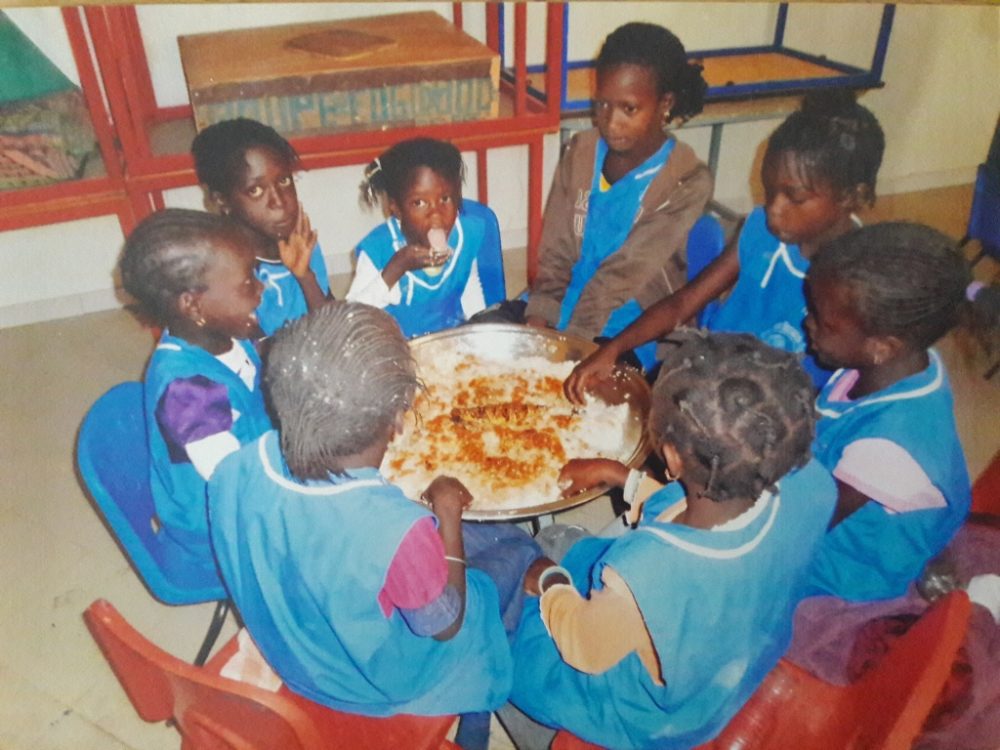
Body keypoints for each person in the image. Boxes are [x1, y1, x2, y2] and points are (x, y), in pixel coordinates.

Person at [208, 302, 539, 744]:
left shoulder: (235, 467)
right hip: (364, 682)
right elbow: (443, 623)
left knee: (490, 545)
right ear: (399, 419)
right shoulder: (396, 529)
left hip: (292, 646)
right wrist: (448, 517)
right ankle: (476, 713)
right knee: (515, 555)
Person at [508, 333, 836, 750]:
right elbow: (702, 506)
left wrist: (550, 581)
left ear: (674, 459)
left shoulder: (650, 570)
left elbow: (586, 647)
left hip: (651, 717)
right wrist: (623, 478)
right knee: (567, 547)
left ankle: (538, 731)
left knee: (506, 632)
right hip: (730, 657)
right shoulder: (812, 484)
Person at [565, 90, 885, 400]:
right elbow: (683, 303)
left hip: (771, 410)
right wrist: (614, 348)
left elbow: (842, 391)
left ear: (851, 196)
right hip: (711, 368)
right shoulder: (761, 227)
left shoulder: (858, 280)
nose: (773, 209)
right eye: (769, 191)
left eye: (795, 198)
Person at [800, 222, 975, 601]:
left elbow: (806, 523)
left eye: (824, 322)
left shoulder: (889, 445)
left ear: (882, 346)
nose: (807, 324)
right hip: (841, 487)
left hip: (852, 564)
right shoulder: (898, 362)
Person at [522, 22, 713, 369]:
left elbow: (623, 276)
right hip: (565, 300)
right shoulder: (580, 151)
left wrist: (571, 347)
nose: (611, 123)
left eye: (629, 109)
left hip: (632, 324)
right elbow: (556, 249)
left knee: (594, 404)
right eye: (602, 105)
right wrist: (539, 319)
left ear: (664, 104)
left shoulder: (686, 180)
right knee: (486, 349)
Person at [119, 208, 272, 580]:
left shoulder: (229, 331)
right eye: (247, 283)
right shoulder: (186, 392)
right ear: (193, 305)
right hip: (221, 538)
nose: (261, 288)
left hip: (256, 481)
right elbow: (240, 489)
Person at [346, 137, 505, 338]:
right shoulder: (379, 249)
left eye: (445, 199)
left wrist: (479, 333)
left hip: (450, 340)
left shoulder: (463, 236)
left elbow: (469, 286)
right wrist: (396, 268)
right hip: (395, 349)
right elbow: (351, 318)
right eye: (419, 203)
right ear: (396, 208)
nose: (436, 214)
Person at [191, 117, 330, 337]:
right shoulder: (226, 273)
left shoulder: (300, 241)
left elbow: (332, 322)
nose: (279, 202)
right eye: (255, 191)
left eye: (284, 181)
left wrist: (306, 277)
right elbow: (264, 358)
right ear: (221, 200)